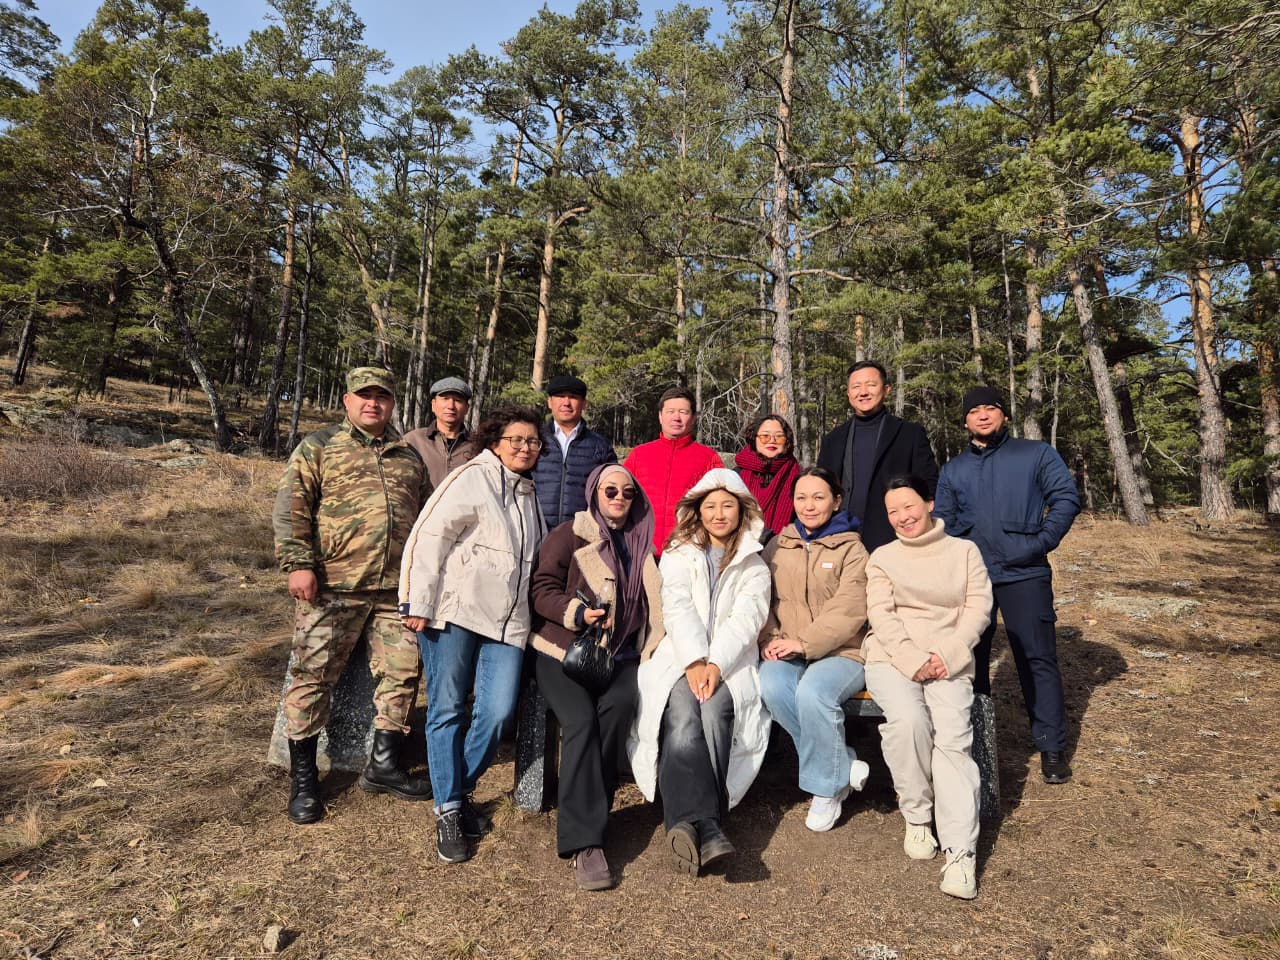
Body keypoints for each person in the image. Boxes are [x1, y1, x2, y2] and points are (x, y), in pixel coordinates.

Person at [273, 366, 433, 825]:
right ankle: (304, 779)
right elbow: (291, 509)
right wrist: (298, 564)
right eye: (364, 396)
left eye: (382, 396)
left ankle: (383, 765)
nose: (373, 403)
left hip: (393, 591)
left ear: (392, 403)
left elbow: (426, 521)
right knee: (313, 675)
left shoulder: (408, 456)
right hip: (333, 587)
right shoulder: (320, 447)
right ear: (347, 400)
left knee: (402, 673)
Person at [399, 405, 548, 863]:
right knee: (446, 709)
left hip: (507, 624)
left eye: (532, 441)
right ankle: (448, 811)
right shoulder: (471, 478)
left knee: (499, 711)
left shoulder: (530, 494)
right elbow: (429, 536)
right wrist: (417, 601)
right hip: (455, 613)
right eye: (516, 440)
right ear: (494, 443)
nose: (525, 448)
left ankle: (456, 790)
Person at [933, 386, 1081, 784]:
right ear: (965, 421)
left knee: (1037, 658)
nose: (982, 416)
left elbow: (1066, 498)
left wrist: (1041, 542)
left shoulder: (1035, 455)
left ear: (1004, 415)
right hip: (972, 578)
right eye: (974, 411)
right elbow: (943, 519)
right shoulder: (954, 469)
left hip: (1024, 573)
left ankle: (1051, 747)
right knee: (971, 662)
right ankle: (977, 745)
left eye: (990, 409)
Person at [628, 469, 772, 876]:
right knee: (680, 712)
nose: (719, 514)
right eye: (710, 506)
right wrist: (693, 661)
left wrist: (716, 664)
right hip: (681, 656)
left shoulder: (754, 565)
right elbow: (676, 606)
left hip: (730, 663)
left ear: (742, 511)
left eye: (728, 506)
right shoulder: (677, 553)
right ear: (698, 511)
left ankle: (686, 822)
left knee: (714, 711)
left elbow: (747, 620)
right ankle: (705, 825)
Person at [529, 464, 663, 890]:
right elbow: (542, 587)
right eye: (610, 490)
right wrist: (576, 612)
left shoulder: (643, 543)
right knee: (581, 721)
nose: (618, 497)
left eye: (627, 491)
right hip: (564, 652)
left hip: (620, 657)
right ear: (594, 493)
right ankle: (585, 843)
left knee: (619, 707)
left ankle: (592, 804)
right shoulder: (569, 534)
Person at [864, 475, 993, 900]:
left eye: (909, 506)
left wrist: (948, 655)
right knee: (908, 722)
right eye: (893, 512)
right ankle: (917, 816)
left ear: (930, 503)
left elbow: (978, 610)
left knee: (954, 739)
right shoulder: (882, 557)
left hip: (948, 659)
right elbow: (881, 617)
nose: (903, 517)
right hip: (892, 657)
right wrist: (911, 659)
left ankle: (960, 852)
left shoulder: (964, 552)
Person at [758, 467, 871, 833]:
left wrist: (805, 644)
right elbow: (764, 598)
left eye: (819, 497)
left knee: (813, 691)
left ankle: (827, 788)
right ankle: (839, 763)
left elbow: (850, 609)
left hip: (843, 651)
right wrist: (768, 638)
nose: (809, 505)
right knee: (771, 686)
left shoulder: (852, 548)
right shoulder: (780, 543)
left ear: (836, 501)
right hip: (787, 645)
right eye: (801, 497)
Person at [816, 360, 939, 553]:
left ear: (886, 389)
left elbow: (928, 484)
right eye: (856, 386)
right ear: (849, 393)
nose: (863, 392)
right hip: (841, 540)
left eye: (871, 385)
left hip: (894, 539)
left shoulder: (910, 434)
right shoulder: (833, 440)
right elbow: (821, 488)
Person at [623, 387, 723, 553]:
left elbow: (720, 505)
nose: (676, 417)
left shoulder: (709, 459)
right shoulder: (639, 455)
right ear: (660, 416)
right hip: (641, 550)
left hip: (688, 552)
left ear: (693, 418)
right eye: (670, 411)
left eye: (683, 412)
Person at [533, 374, 618, 529]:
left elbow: (611, 493)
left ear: (584, 403)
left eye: (573, 397)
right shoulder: (533, 440)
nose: (566, 402)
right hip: (535, 532)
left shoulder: (600, 446)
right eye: (560, 396)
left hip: (581, 536)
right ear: (549, 402)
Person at [403, 376, 480, 486]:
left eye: (457, 400)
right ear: (433, 405)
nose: (451, 406)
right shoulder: (413, 441)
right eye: (445, 399)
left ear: (467, 408)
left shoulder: (477, 445)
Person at [735, 413, 801, 540]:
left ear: (787, 441)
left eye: (779, 436)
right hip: (741, 545)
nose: (772, 440)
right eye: (765, 436)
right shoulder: (736, 475)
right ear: (754, 438)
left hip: (784, 547)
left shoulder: (798, 477)